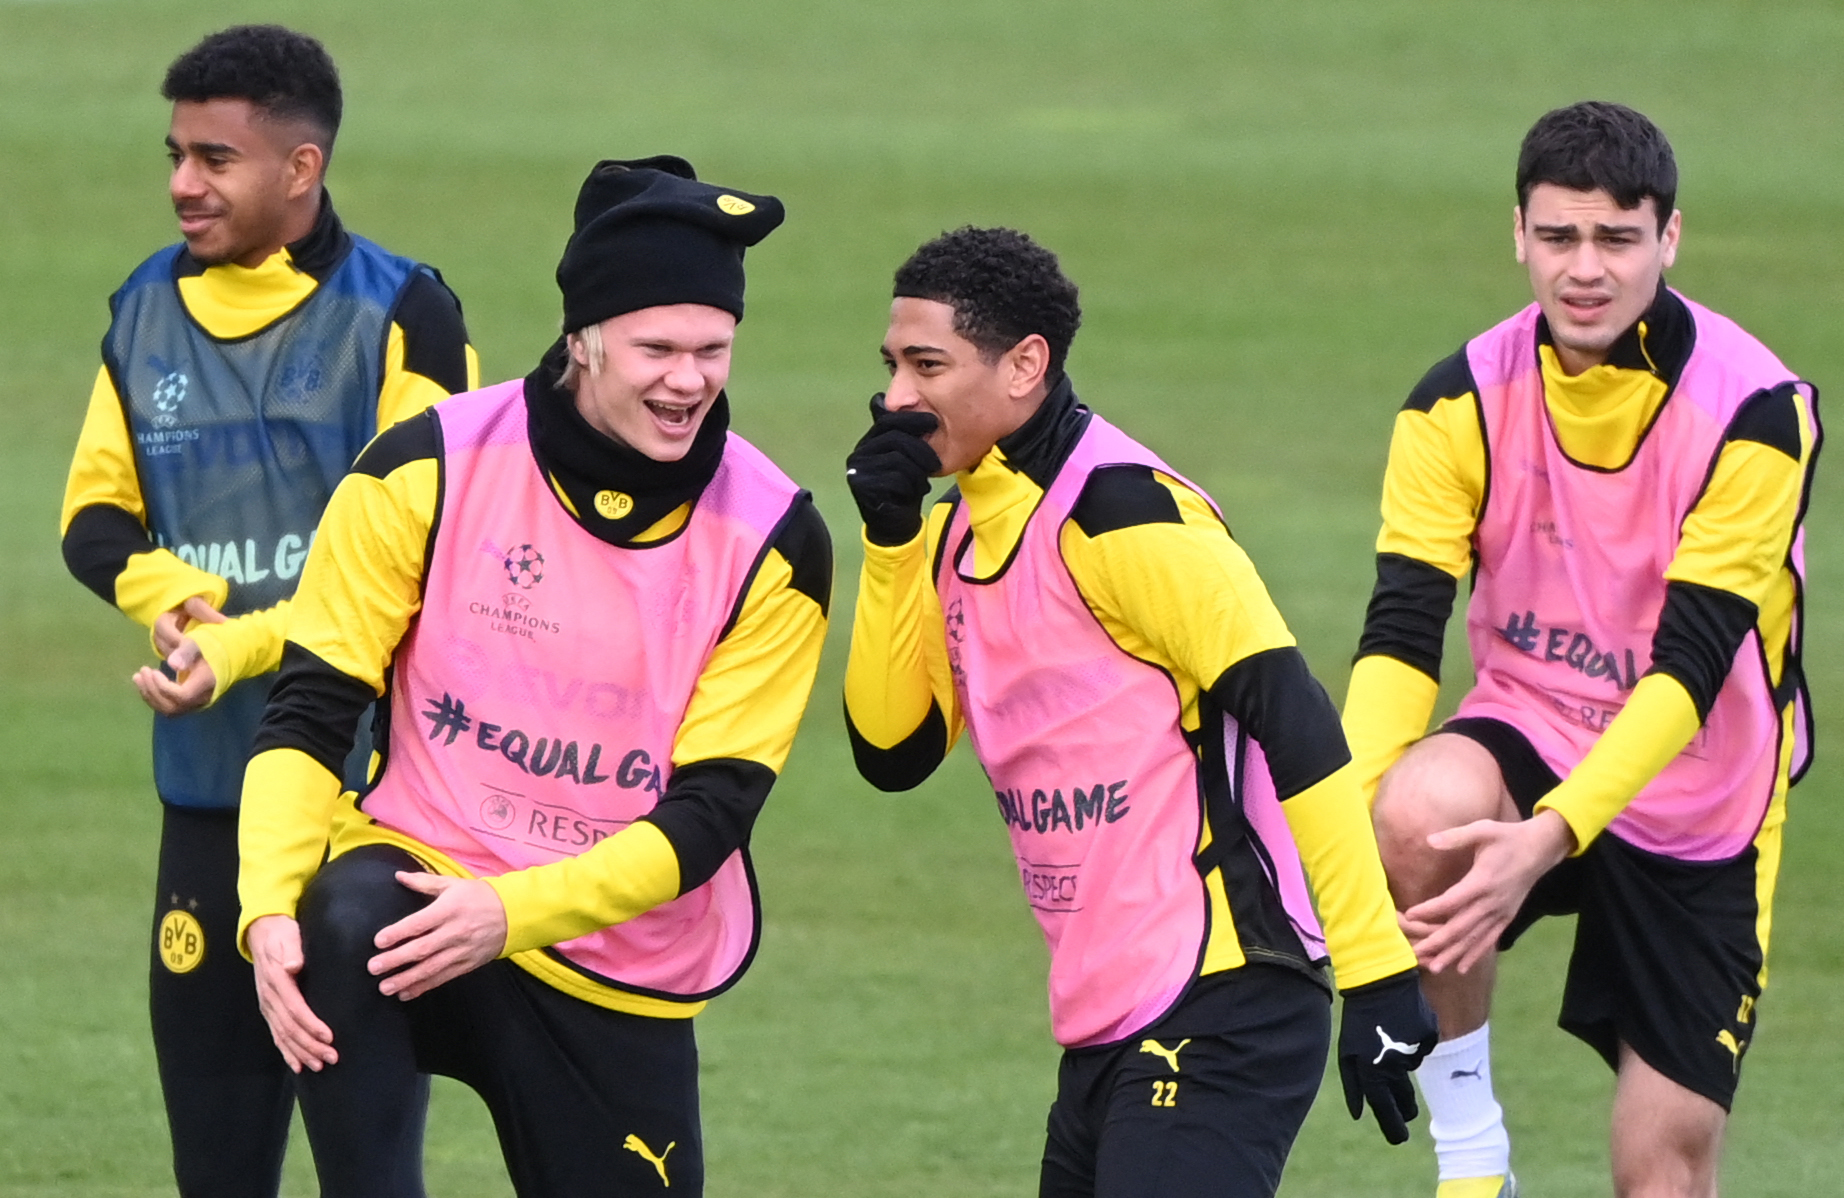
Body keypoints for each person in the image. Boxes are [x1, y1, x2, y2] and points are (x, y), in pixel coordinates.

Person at [235, 155, 830, 1198]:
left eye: (712, 349)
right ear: (583, 338)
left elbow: (710, 816)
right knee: (340, 915)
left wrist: (510, 911)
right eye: (656, 348)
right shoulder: (422, 467)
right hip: (422, 879)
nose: (688, 380)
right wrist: (264, 911)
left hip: (614, 942)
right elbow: (312, 707)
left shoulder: (776, 538)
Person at [842, 226, 1437, 1198]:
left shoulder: (1124, 515)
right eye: (891, 366)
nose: (896, 397)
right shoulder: (956, 534)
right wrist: (889, 541)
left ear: (1024, 365)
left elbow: (1295, 721)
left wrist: (1376, 969)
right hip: (1106, 1014)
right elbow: (891, 748)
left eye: (927, 365)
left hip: (1223, 996)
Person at [1343, 101, 1820, 1198]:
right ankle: (1473, 1160)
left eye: (1616, 237)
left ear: (1669, 237)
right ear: (1518, 233)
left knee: (1659, 1167)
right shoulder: (1454, 401)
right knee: (1416, 809)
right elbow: (1400, 636)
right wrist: (1346, 853)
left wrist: (1548, 838)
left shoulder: (1756, 412)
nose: (1585, 268)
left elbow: (1690, 673)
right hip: (1531, 720)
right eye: (1558, 236)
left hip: (1698, 788)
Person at [58, 25, 474, 1197]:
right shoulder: (143, 310)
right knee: (216, 1167)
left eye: (215, 158)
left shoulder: (406, 313)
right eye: (176, 155)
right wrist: (172, 601)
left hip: (365, 804)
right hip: (208, 793)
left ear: (301, 167)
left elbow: (417, 560)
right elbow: (94, 519)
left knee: (368, 1170)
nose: (183, 184)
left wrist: (236, 644)